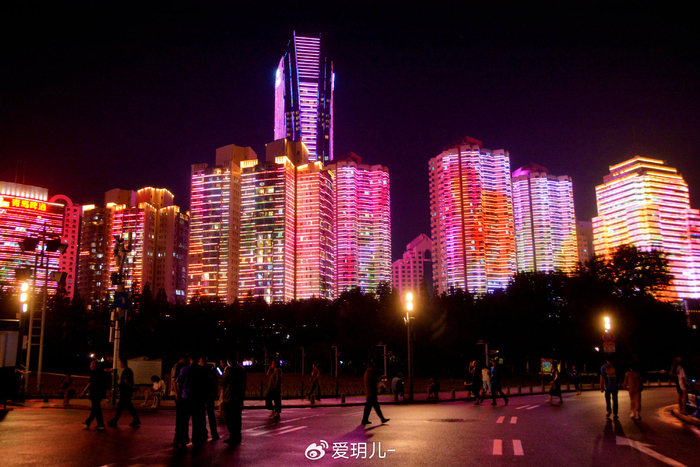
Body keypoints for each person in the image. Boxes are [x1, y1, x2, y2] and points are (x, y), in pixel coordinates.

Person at [174, 353, 207, 447]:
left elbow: (177, 383)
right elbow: (206, 384)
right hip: (198, 399)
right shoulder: (202, 370)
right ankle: (197, 439)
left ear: (189, 359)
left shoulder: (184, 369)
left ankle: (183, 440)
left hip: (186, 398)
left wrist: (181, 393)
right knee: (197, 421)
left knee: (183, 421)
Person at [107, 357, 141, 427]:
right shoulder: (129, 370)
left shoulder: (126, 371)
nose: (119, 364)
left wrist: (130, 388)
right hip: (126, 392)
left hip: (125, 392)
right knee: (126, 407)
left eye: (120, 363)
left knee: (124, 407)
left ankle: (115, 421)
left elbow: (126, 381)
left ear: (122, 363)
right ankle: (135, 420)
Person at [221, 352, 246, 445]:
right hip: (238, 397)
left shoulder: (229, 370)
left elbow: (223, 382)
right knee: (237, 418)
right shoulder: (241, 370)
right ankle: (237, 436)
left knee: (230, 419)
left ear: (229, 360)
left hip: (229, 397)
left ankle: (232, 436)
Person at [81, 360, 107, 430]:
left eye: (91, 365)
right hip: (100, 393)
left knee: (95, 409)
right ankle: (100, 424)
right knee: (97, 409)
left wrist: (83, 391)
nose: (90, 366)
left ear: (94, 365)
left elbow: (90, 383)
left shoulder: (94, 373)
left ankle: (88, 422)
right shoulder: (101, 372)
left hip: (95, 393)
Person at [200, 357, 220, 440]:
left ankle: (211, 433)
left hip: (205, 393)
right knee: (207, 414)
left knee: (208, 414)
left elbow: (215, 379)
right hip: (207, 393)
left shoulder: (207, 368)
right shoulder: (210, 368)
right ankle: (209, 433)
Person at [600, 354, 619, 419]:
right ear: (612, 360)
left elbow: (602, 377)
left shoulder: (603, 367)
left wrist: (601, 386)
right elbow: (618, 376)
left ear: (606, 360)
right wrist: (619, 384)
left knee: (608, 399)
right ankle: (615, 413)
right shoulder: (616, 367)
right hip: (615, 386)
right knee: (615, 400)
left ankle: (609, 410)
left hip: (607, 387)